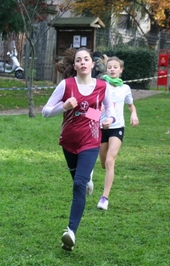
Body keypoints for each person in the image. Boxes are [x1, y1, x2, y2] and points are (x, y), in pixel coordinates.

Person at [42, 47, 116, 251]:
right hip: (68, 142)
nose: (83, 62)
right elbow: (45, 112)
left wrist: (108, 119)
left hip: (91, 142)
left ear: (92, 64)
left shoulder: (102, 86)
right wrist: (64, 107)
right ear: (74, 65)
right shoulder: (66, 85)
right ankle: (88, 178)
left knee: (78, 185)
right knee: (79, 181)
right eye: (79, 60)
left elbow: (109, 110)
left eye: (86, 59)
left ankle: (70, 232)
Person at [97, 56, 139, 210]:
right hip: (101, 127)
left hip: (117, 127)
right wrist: (97, 110)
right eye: (110, 67)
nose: (112, 69)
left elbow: (131, 106)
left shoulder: (125, 88)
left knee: (110, 161)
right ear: (106, 70)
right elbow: (91, 103)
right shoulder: (100, 85)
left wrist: (134, 114)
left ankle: (104, 198)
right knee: (103, 163)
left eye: (115, 67)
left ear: (121, 70)